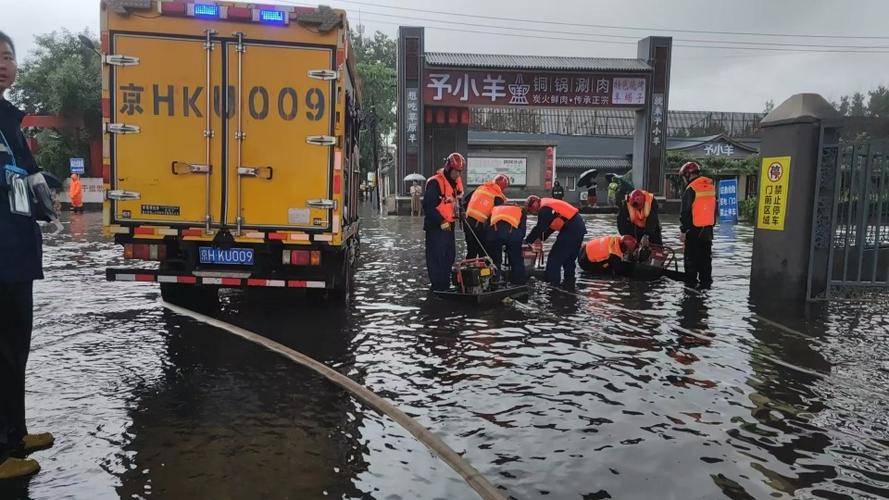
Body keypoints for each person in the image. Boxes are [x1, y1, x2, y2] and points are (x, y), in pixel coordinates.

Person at [0, 31, 54, 480]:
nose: (2, 62)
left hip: (15, 256)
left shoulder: (9, 122)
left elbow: (23, 179)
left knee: (15, 350)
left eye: (7, 56)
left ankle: (13, 435)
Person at [423, 152, 465, 291]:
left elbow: (457, 201)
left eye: (459, 172)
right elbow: (428, 206)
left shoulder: (455, 184)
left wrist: (462, 212)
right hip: (436, 227)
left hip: (449, 226)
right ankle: (438, 287)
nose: (457, 175)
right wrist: (441, 221)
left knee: (449, 256)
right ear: (448, 168)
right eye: (455, 171)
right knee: (437, 258)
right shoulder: (435, 182)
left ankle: (445, 284)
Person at [525, 195, 586, 286]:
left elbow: (539, 228)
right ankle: (569, 285)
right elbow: (551, 227)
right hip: (578, 227)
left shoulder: (544, 208)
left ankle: (553, 287)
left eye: (531, 208)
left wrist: (527, 241)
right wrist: (541, 239)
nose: (533, 211)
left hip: (571, 229)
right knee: (568, 261)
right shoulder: (550, 206)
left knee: (554, 260)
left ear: (535, 203)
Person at [679, 161, 716, 288]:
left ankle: (690, 293)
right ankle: (706, 288)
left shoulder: (691, 189)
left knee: (691, 264)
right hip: (708, 232)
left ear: (688, 175)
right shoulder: (711, 187)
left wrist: (683, 231)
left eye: (684, 177)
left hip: (693, 231)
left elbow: (685, 213)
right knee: (706, 263)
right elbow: (714, 210)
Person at [462, 174, 508, 259]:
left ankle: (467, 270)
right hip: (479, 226)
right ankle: (481, 271)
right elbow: (497, 218)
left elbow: (465, 202)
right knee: (483, 253)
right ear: (503, 187)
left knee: (471, 251)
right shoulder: (498, 197)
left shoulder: (481, 188)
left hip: (468, 223)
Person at [486, 203, 527, 284]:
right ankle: (518, 283)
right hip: (512, 234)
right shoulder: (521, 210)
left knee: (495, 261)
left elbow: (487, 225)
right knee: (516, 260)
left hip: (494, 234)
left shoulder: (495, 208)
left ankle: (494, 281)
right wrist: (519, 241)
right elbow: (523, 230)